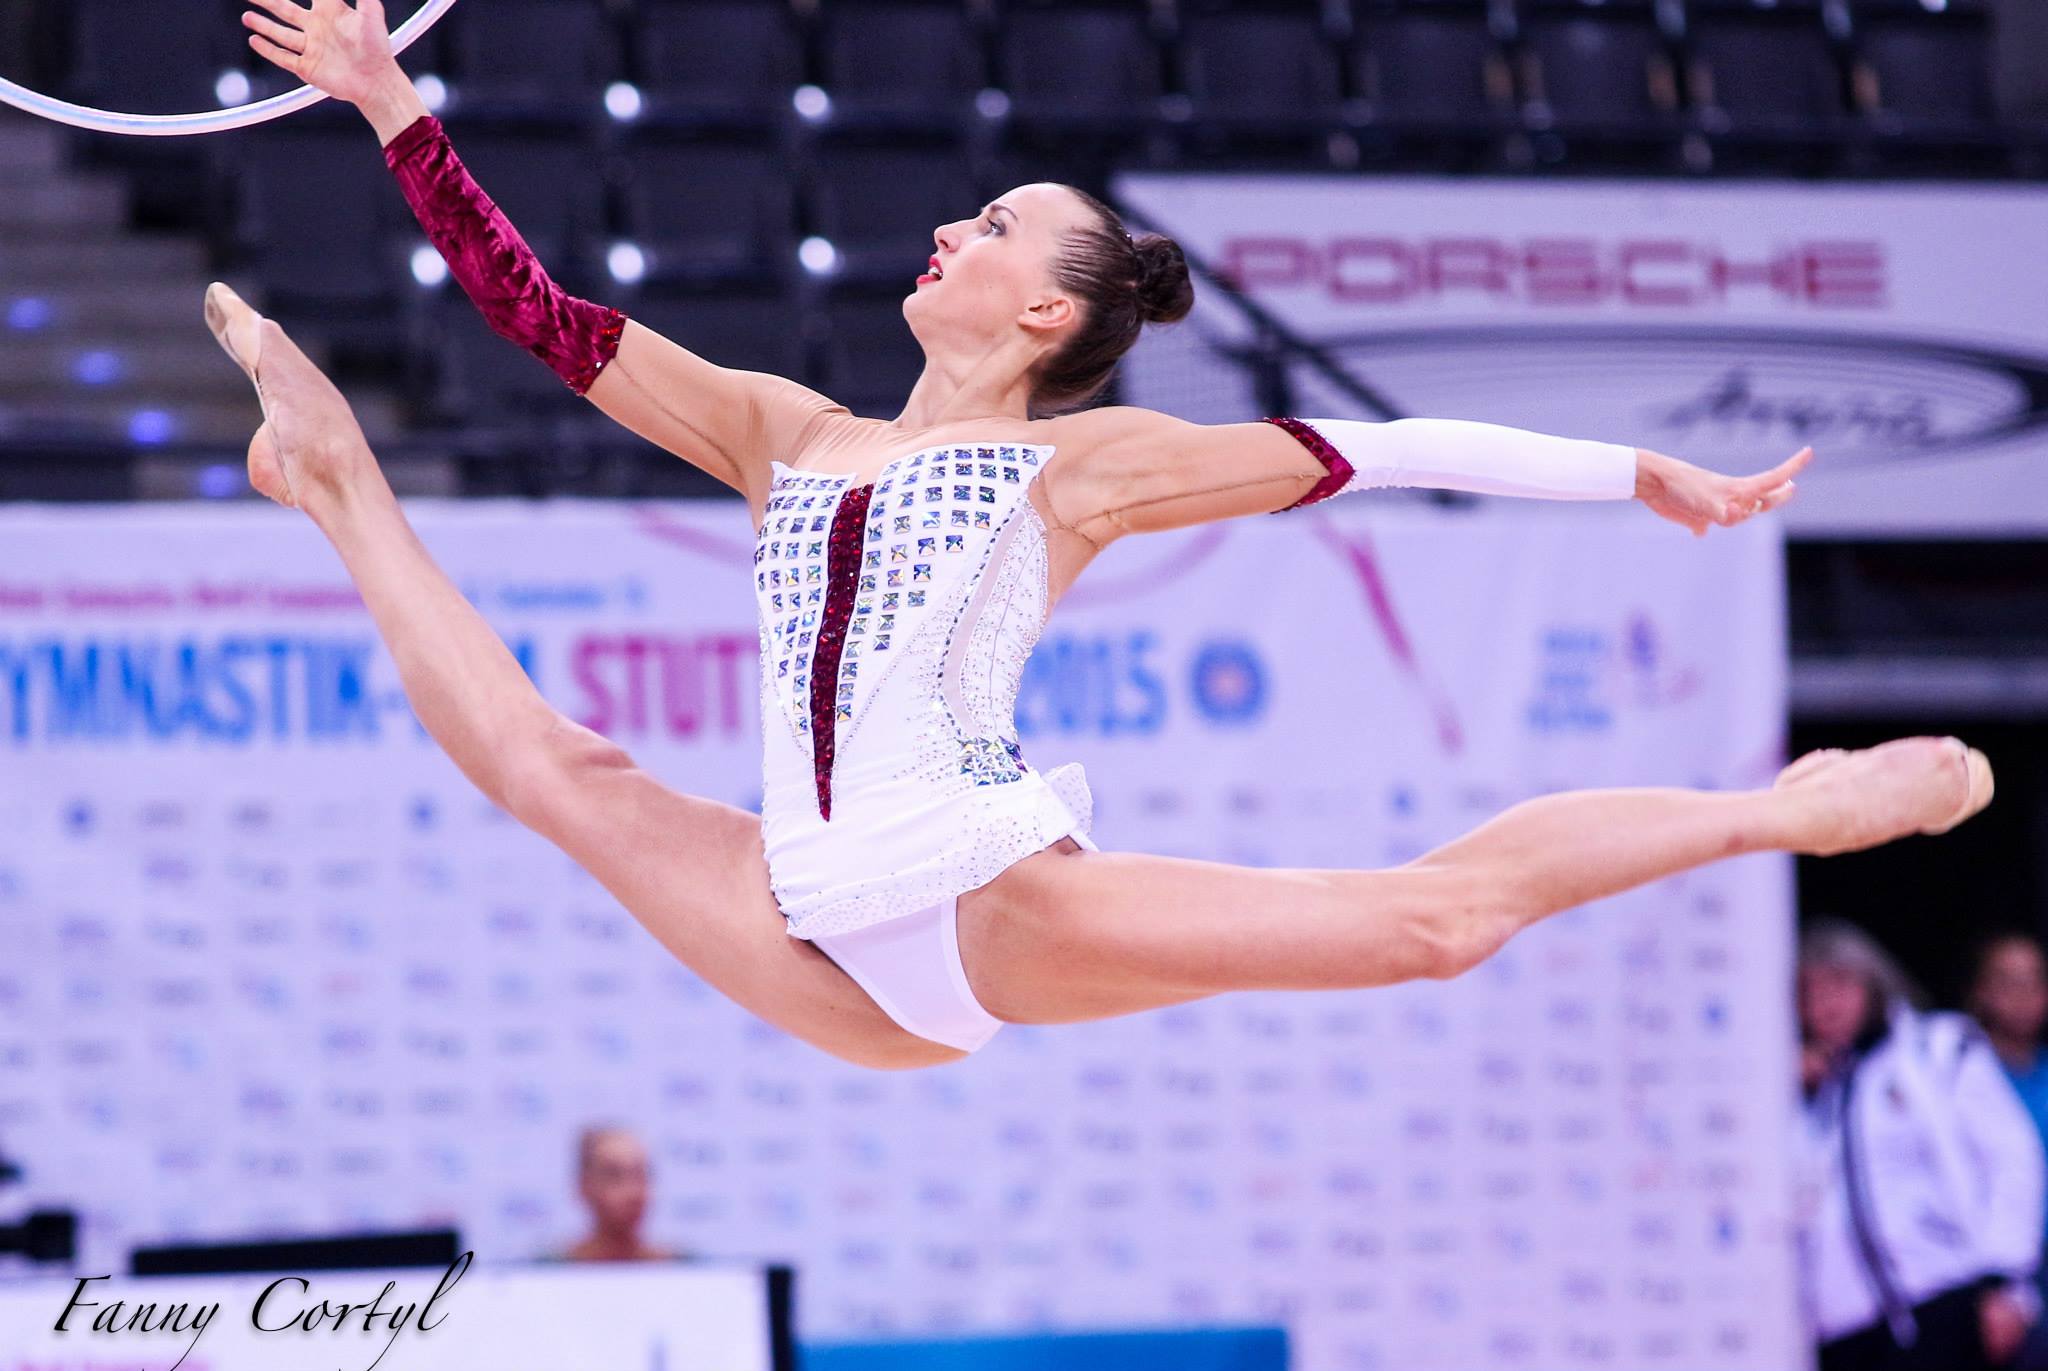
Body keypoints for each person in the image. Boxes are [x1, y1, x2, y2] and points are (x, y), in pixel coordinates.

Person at [207, 0, 1995, 1073]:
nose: (945, 230)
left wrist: (1632, 476)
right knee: (549, 765)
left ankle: (1774, 808)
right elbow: (543, 317)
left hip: (981, 906)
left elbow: (1371, 448)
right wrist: (388, 104)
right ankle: (340, 477)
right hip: (801, 921)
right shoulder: (783, 436)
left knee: (1425, 930)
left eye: (988, 225)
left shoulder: (1082, 471)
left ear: (1046, 315)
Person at [1795, 918, 2045, 1371]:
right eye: (1809, 992)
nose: (1824, 1003)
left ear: (1870, 981)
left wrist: (2007, 1283)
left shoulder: (1939, 1048)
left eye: (1838, 984)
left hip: (1941, 1304)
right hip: (1848, 1331)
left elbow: (2014, 1159)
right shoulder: (1816, 1092)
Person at [1970, 932, 2048, 1371]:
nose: (2022, 997)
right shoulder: (1952, 1077)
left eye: (2033, 982)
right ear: (1981, 992)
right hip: (1994, 1276)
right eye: (2007, 982)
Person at [549, 1126, 684, 1264]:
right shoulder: (543, 1273)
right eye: (614, 1176)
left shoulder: (689, 1270)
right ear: (584, 1186)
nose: (633, 1192)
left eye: (640, 1174)